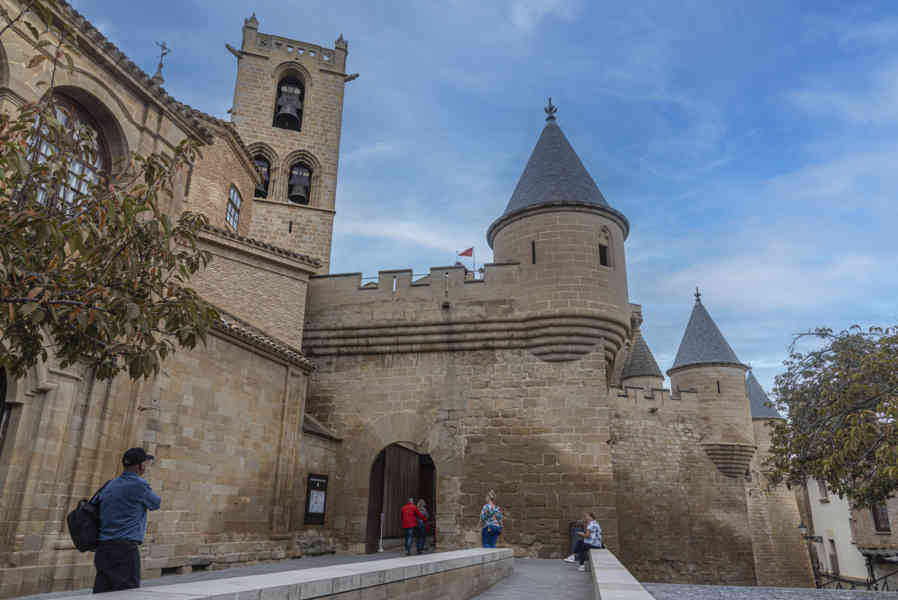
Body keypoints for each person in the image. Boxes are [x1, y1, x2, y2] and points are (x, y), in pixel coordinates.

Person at [93, 447, 161, 593]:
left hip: (103, 548)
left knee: (102, 592)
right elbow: (156, 503)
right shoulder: (139, 485)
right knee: (127, 593)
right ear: (140, 466)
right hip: (124, 549)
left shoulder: (110, 484)